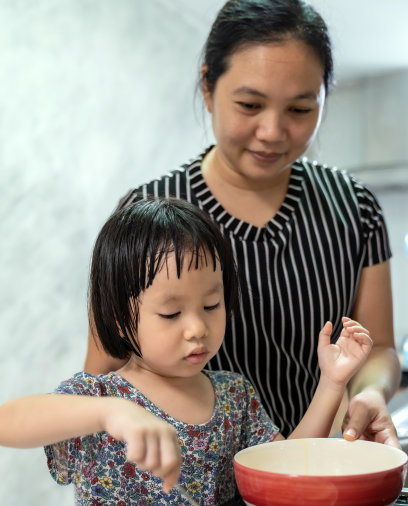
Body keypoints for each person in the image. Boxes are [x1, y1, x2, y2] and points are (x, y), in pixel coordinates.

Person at [0, 196, 372, 506]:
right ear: (119, 319)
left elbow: (284, 471)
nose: (197, 328)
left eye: (211, 305)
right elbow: (9, 421)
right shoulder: (100, 396)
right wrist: (110, 412)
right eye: (171, 314)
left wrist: (332, 383)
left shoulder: (233, 396)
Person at [84, 0, 401, 445]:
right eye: (250, 104)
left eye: (299, 110)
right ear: (209, 88)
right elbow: (103, 372)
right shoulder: (151, 209)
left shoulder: (354, 206)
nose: (272, 131)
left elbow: (381, 346)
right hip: (188, 495)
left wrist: (369, 392)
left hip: (318, 471)